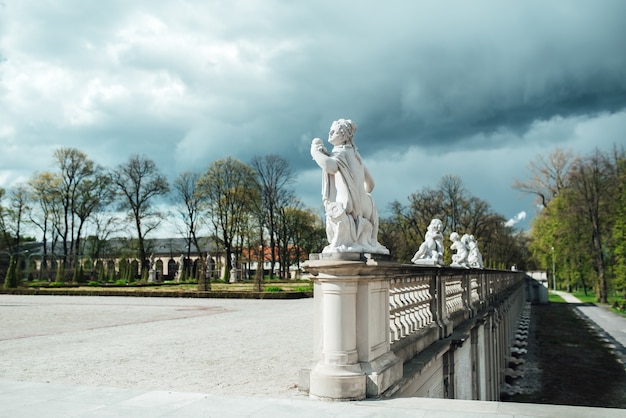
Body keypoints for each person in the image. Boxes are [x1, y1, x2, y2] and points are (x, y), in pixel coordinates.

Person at [310, 119, 388, 254]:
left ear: (344, 135)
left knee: (332, 210)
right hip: (366, 207)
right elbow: (371, 184)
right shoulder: (356, 156)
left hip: (346, 206)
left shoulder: (339, 153)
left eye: (334, 131)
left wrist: (315, 151)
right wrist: (359, 195)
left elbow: (330, 167)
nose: (330, 133)